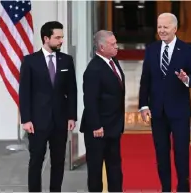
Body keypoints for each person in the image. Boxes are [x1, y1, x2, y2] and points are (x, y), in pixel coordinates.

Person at [138, 13, 191, 192]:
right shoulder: (151, 49)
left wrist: (186, 79)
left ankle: (183, 188)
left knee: (181, 153)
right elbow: (146, 79)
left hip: (180, 112)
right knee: (161, 154)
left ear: (175, 29)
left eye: (165, 27)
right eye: (159, 27)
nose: (161, 30)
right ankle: (165, 188)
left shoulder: (187, 50)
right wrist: (143, 105)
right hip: (157, 112)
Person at [19, 21, 77, 192]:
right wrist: (26, 119)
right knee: (36, 160)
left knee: (58, 161)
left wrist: (71, 116)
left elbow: (72, 90)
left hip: (60, 120)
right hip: (37, 122)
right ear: (46, 38)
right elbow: (24, 93)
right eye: (57, 37)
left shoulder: (66, 60)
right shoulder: (30, 61)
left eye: (62, 37)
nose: (61, 41)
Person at [80, 30, 125, 192]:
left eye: (116, 43)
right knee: (95, 170)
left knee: (114, 167)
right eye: (112, 44)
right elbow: (90, 101)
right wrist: (97, 126)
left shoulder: (114, 62)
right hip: (98, 130)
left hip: (113, 126)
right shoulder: (93, 69)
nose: (116, 47)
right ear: (101, 47)